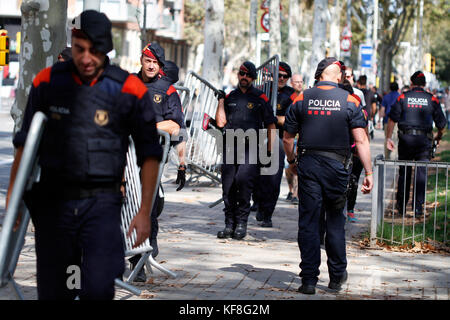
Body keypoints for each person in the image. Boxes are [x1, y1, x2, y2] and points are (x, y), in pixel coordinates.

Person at [6, 10, 162, 300]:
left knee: (99, 288)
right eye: (80, 49)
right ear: (72, 43)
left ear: (107, 50)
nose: (87, 58)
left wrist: (144, 213)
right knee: (57, 291)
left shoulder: (128, 89)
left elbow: (150, 153)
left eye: (95, 51)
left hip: (101, 207)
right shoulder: (47, 82)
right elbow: (24, 147)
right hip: (54, 206)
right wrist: (13, 201)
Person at [283, 57, 373, 295]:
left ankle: (309, 280)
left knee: (309, 223)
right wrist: (369, 172)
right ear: (338, 76)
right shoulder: (351, 101)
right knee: (335, 222)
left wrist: (292, 162)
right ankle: (336, 277)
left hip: (309, 166)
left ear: (319, 75)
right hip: (337, 169)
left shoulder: (302, 98)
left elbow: (287, 138)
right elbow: (361, 139)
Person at [128, 43, 186, 282]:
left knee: (147, 208)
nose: (150, 65)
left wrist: (182, 164)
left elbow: (175, 126)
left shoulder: (168, 90)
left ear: (160, 66)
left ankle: (141, 261)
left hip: (151, 159)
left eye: (155, 62)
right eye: (147, 60)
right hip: (123, 157)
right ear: (141, 59)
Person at [215, 61, 277, 239]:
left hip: (252, 147)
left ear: (253, 78)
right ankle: (229, 224)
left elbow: (271, 125)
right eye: (242, 74)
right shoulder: (230, 97)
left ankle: (242, 223)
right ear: (238, 75)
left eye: (248, 75)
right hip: (230, 146)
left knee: (243, 181)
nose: (244, 77)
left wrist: (269, 151)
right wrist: (220, 101)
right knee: (228, 186)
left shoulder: (260, 98)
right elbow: (220, 123)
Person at [386, 71, 446, 217]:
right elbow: (442, 123)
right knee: (421, 173)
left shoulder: (402, 97)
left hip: (406, 140)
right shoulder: (432, 99)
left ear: (412, 83)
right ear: (424, 84)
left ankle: (401, 207)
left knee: (404, 173)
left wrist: (388, 138)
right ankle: (418, 208)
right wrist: (438, 136)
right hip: (424, 142)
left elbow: (392, 119)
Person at [252, 62, 296, 227]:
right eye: (280, 76)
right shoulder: (263, 90)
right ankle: (257, 203)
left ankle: (267, 213)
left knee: (273, 179)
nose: (283, 79)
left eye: (286, 76)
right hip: (258, 136)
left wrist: (272, 119)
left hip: (277, 138)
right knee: (256, 176)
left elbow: (290, 120)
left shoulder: (292, 96)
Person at [344, 67, 367, 222]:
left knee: (353, 180)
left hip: (355, 148)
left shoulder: (359, 97)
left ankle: (350, 208)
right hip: (341, 150)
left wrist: (364, 150)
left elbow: (363, 132)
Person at [380, 82, 400, 160]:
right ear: (397, 88)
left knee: (387, 137)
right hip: (397, 121)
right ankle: (393, 157)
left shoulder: (386, 97)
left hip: (387, 120)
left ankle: (387, 156)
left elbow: (382, 109)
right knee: (395, 138)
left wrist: (380, 119)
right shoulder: (399, 97)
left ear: (390, 88)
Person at [357, 75, 376, 139]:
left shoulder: (356, 93)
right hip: (367, 118)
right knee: (366, 138)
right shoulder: (371, 93)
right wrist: (372, 116)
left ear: (358, 82)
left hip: (356, 118)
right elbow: (374, 108)